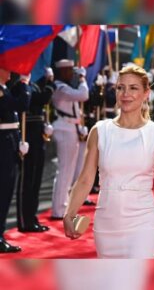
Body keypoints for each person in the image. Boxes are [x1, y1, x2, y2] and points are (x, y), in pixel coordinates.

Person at [63, 65, 154, 258]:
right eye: (121, 87)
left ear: (146, 93)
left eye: (133, 88)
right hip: (106, 224)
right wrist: (69, 214)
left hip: (143, 223)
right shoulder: (99, 130)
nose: (125, 93)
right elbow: (86, 179)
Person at [16, 70, 55, 232]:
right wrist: (50, 83)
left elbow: (42, 102)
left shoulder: (33, 86)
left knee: (36, 180)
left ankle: (32, 217)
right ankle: (25, 220)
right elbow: (40, 99)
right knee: (27, 181)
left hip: (37, 136)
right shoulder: (20, 87)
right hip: (28, 136)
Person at [50, 59, 89, 219]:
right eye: (69, 71)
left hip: (71, 128)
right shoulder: (60, 88)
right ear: (61, 71)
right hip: (64, 129)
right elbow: (83, 95)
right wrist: (82, 79)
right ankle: (58, 209)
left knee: (70, 170)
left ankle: (63, 205)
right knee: (65, 170)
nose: (72, 74)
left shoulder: (65, 87)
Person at [0, 68, 30, 252]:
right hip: (3, 143)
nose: (10, 71)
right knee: (3, 191)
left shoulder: (4, 88)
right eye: (5, 68)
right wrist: (25, 85)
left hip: (8, 140)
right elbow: (21, 105)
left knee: (5, 191)